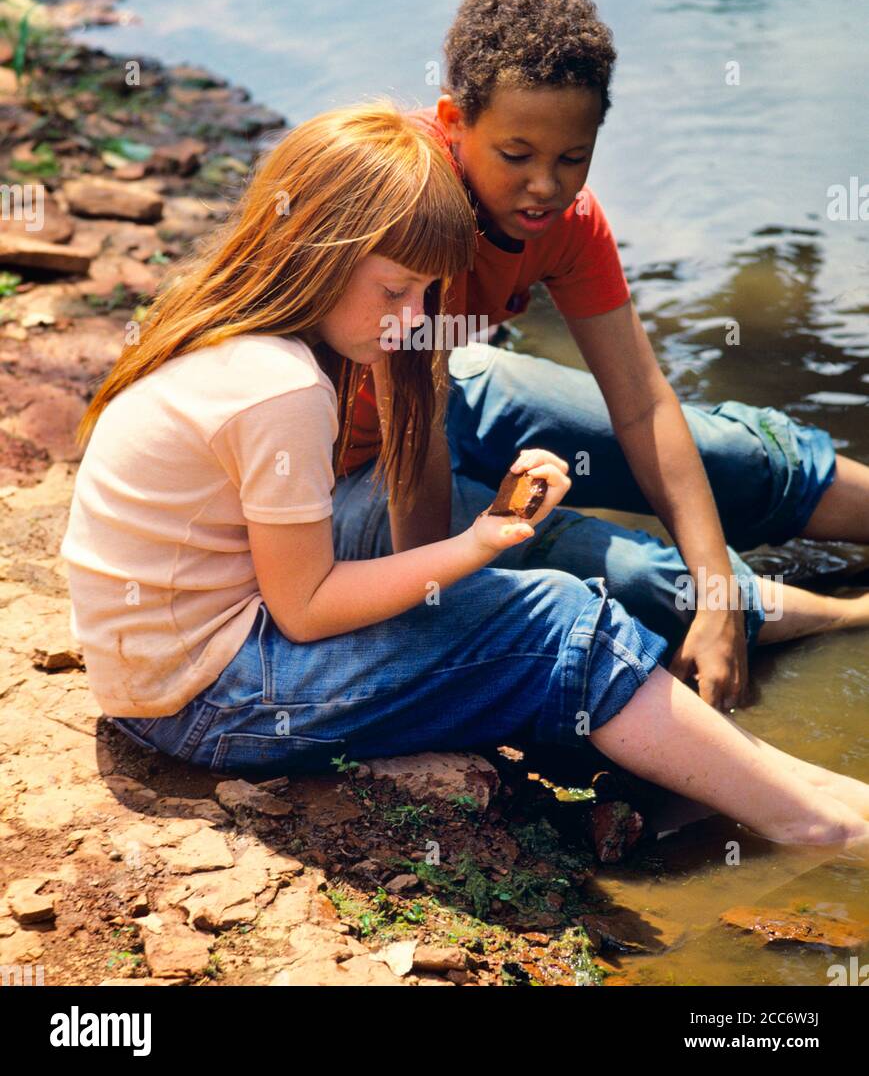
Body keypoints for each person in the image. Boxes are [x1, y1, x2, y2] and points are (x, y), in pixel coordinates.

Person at [59, 100, 869, 856]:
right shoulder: (284, 390)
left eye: (424, 293)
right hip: (203, 701)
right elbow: (304, 611)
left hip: (162, 680)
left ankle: (771, 783)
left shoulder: (236, 337)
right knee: (554, 620)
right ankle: (824, 824)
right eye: (396, 290)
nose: (416, 318)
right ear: (319, 253)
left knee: (540, 610)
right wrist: (483, 543)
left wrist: (471, 573)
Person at [336, 0, 869, 713]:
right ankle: (850, 617)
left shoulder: (568, 222)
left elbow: (643, 405)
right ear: (454, 121)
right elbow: (412, 437)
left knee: (724, 459)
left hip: (456, 388)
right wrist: (437, 607)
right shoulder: (410, 202)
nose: (544, 187)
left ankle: (749, 588)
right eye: (516, 154)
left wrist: (716, 581)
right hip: (351, 468)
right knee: (634, 581)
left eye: (572, 158)